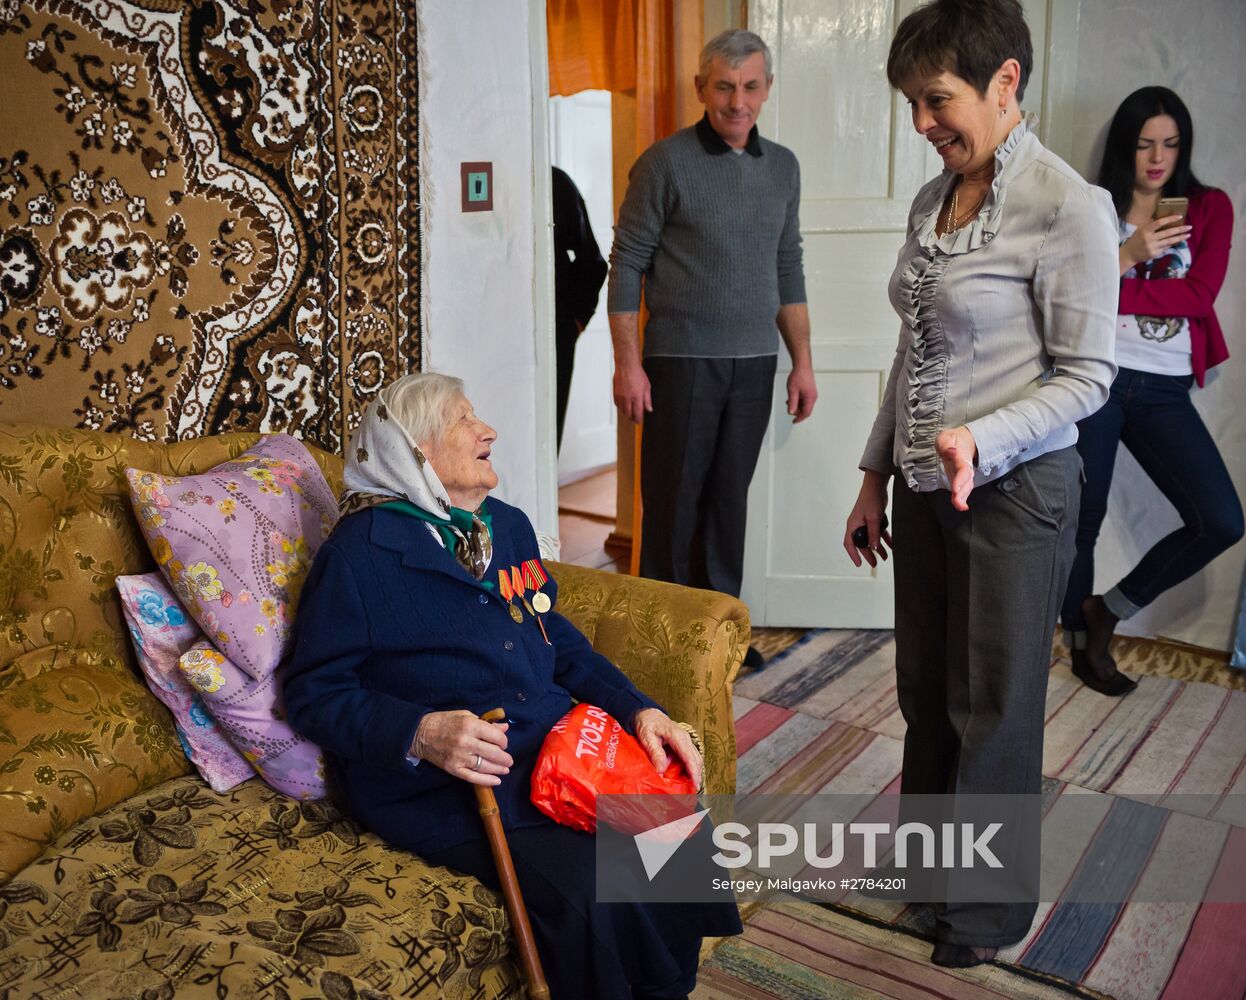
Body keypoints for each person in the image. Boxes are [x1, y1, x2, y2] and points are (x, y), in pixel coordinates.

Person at [283, 373, 741, 1000]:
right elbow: (314, 693)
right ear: (413, 453)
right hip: (454, 784)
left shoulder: (505, 526)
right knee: (592, 893)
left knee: (675, 835)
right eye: (464, 421)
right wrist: (422, 732)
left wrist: (641, 711)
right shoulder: (359, 556)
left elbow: (558, 638)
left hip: (555, 749)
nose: (487, 431)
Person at [843, 0, 1118, 967]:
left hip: (1017, 491)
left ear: (1007, 84)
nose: (922, 123)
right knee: (925, 692)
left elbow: (1089, 376)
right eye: (913, 104)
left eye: (937, 99)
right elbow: (910, 348)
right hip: (925, 486)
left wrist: (981, 440)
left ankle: (987, 913)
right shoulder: (934, 201)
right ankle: (930, 877)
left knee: (991, 703)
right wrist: (877, 471)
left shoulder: (1068, 205)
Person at [608, 28, 817, 670]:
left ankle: (716, 642)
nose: (737, 101)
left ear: (767, 89)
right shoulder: (664, 163)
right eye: (724, 86)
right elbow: (626, 266)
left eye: (750, 86)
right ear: (702, 88)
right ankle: (656, 646)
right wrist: (628, 365)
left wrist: (803, 361)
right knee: (672, 506)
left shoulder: (782, 167)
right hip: (679, 361)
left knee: (729, 505)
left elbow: (788, 266)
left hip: (755, 362)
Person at [1060, 87, 1243, 696]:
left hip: (1163, 390)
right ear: (1125, 147)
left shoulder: (1208, 207)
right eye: (1144, 144)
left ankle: (1105, 610)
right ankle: (1082, 649)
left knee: (1219, 518)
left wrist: (1112, 277)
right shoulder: (1092, 205)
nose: (1157, 157)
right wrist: (1131, 252)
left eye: (1170, 144)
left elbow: (1197, 297)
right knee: (1082, 521)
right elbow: (1066, 290)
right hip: (1098, 378)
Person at [553, 166, 608, 451]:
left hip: (558, 328)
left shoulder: (556, 183)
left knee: (550, 423)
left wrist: (577, 319)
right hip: (497, 327)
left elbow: (593, 261)